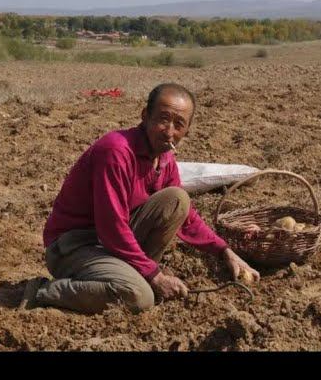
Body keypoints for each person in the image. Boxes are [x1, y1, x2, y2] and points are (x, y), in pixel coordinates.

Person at [22, 83, 260, 313]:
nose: (169, 131)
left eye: (179, 124)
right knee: (138, 297)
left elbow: (187, 218)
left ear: (187, 130)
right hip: (74, 246)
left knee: (177, 199)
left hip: (109, 241)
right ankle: (43, 291)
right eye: (163, 119)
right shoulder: (116, 152)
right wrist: (155, 276)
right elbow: (112, 228)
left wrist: (224, 250)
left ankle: (135, 272)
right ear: (145, 116)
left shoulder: (164, 159)